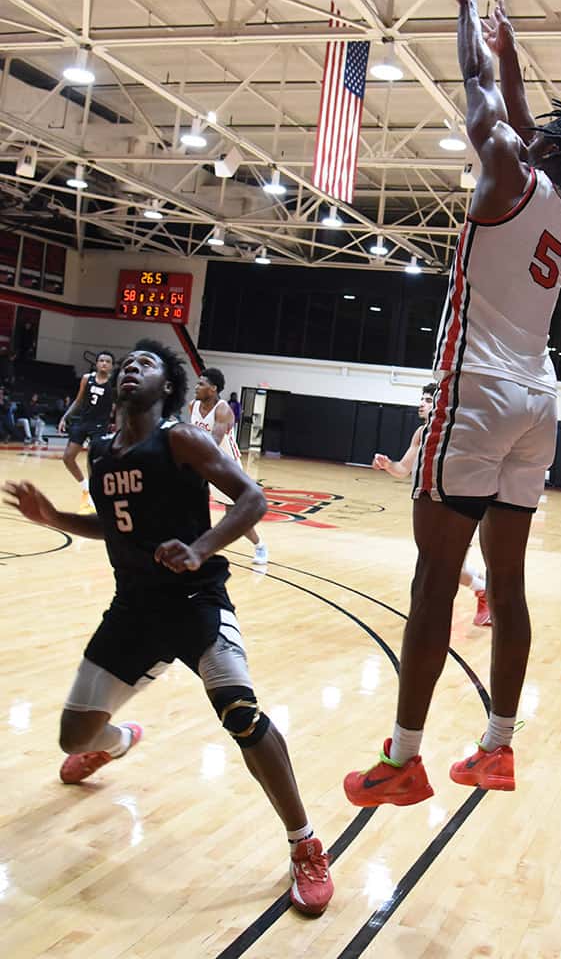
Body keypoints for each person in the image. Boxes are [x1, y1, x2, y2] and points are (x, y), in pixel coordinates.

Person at [344, 0, 561, 808]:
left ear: (542, 149)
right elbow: (507, 105)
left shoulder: (508, 169)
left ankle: (402, 757)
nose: (522, 126)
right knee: (505, 585)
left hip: (473, 391)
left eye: (534, 129)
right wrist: (513, 54)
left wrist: (470, 8)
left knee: (435, 582)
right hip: (536, 401)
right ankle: (498, 747)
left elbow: (478, 92)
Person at [2, 339, 333, 916]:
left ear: (168, 387)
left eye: (146, 363)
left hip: (196, 603)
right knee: (73, 739)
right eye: (127, 361)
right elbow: (113, 526)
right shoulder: (103, 455)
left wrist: (202, 548)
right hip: (133, 610)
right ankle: (117, 743)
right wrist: (52, 517)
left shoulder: (181, 438)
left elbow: (252, 498)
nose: (132, 366)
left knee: (242, 715)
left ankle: (304, 842)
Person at [373, 383, 491, 626]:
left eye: (427, 400)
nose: (422, 404)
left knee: (445, 566)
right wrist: (388, 465)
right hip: (429, 504)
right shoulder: (420, 433)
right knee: (447, 564)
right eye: (422, 399)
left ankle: (484, 593)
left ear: (441, 403)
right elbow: (403, 469)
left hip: (456, 504)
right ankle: (484, 594)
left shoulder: (458, 431)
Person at [190, 369, 268, 566]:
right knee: (186, 503)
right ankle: (195, 546)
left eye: (201, 384)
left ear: (213, 388)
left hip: (225, 465)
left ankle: (259, 546)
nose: (196, 387)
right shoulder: (193, 405)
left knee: (234, 514)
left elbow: (214, 441)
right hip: (202, 461)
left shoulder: (223, 409)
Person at [59, 352, 115, 512]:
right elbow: (78, 401)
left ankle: (93, 497)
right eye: (101, 360)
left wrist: (117, 424)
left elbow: (119, 406)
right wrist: (65, 417)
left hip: (100, 426)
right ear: (96, 363)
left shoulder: (113, 384)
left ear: (111, 366)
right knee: (68, 458)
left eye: (108, 361)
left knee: (93, 462)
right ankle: (85, 488)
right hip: (83, 422)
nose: (104, 363)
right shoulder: (86, 378)